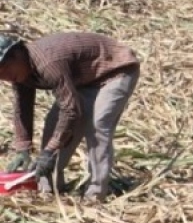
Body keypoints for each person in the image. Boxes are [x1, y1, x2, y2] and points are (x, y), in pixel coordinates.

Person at [0, 31, 141, 200]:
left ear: (18, 54)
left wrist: (49, 151)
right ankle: (50, 188)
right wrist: (23, 148)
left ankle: (95, 194)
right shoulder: (21, 73)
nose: (5, 77)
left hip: (115, 70)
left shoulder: (48, 64)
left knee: (97, 124)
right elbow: (22, 108)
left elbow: (70, 111)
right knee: (54, 124)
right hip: (81, 79)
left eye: (5, 68)